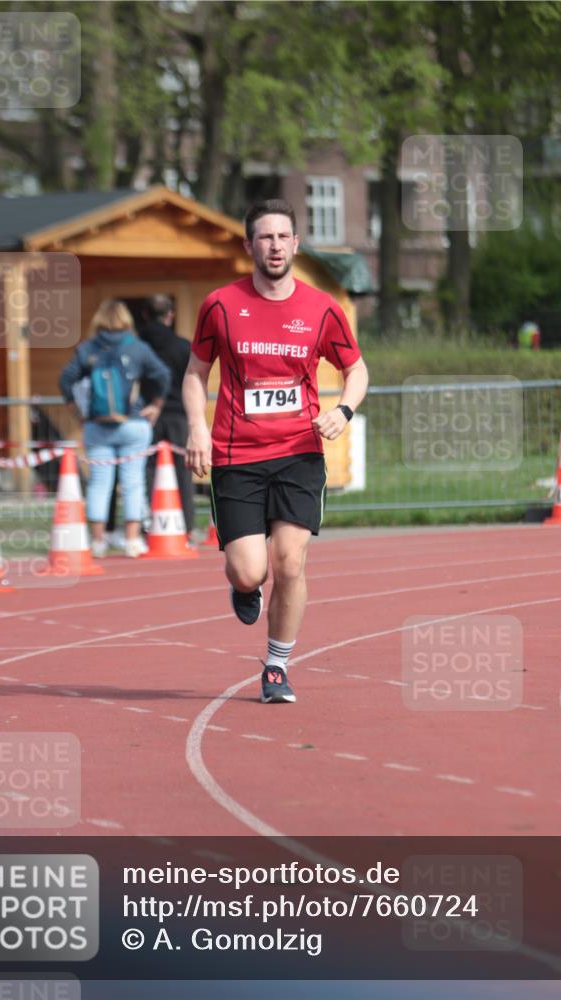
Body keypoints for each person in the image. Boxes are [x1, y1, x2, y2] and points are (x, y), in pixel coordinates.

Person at [183, 199, 369, 703]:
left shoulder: (321, 307)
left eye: (282, 236)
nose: (274, 245)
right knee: (251, 569)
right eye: (264, 237)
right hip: (235, 454)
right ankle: (243, 586)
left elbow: (357, 369)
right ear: (249, 246)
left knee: (289, 563)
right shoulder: (220, 304)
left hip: (299, 451)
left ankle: (276, 667)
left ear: (296, 244)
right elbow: (196, 373)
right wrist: (197, 429)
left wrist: (344, 411)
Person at [60, 299, 170, 558]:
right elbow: (162, 375)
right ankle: (132, 540)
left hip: (97, 425)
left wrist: (78, 413)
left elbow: (66, 379)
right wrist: (155, 405)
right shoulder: (137, 348)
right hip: (133, 422)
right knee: (133, 482)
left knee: (99, 483)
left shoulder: (87, 348)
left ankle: (98, 541)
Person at [139, 294, 195, 538]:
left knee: (148, 469)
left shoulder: (138, 345)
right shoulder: (183, 346)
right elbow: (192, 380)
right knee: (182, 469)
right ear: (170, 315)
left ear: (144, 315)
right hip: (178, 414)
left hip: (146, 414)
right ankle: (187, 526)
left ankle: (151, 524)